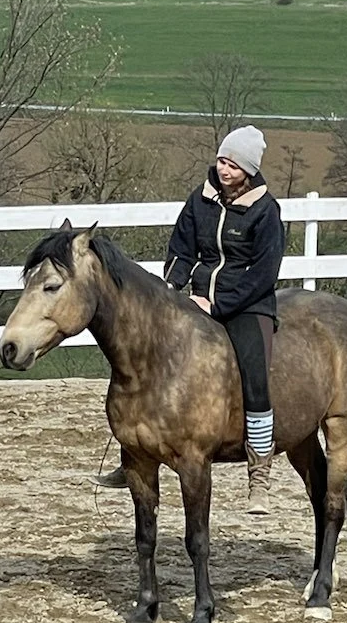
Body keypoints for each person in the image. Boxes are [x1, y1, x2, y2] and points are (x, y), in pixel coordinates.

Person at [96, 125, 285, 514]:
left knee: (255, 372)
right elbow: (181, 248)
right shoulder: (199, 200)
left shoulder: (266, 211)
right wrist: (171, 288)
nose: (224, 168)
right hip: (195, 299)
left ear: (248, 169)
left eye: (233, 163)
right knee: (145, 362)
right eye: (222, 160)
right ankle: (131, 453)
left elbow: (263, 274)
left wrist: (217, 306)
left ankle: (260, 473)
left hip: (247, 306)